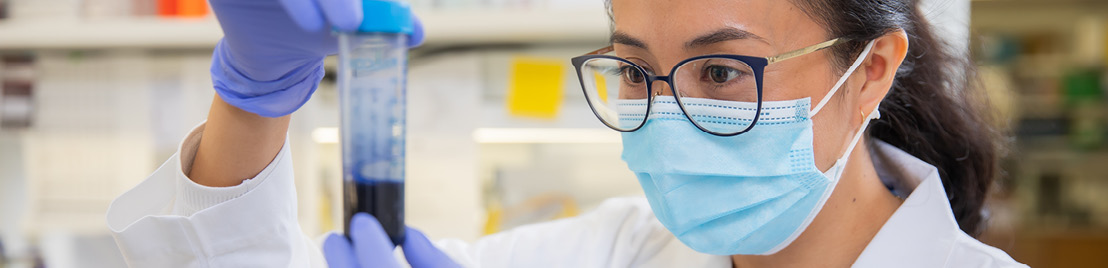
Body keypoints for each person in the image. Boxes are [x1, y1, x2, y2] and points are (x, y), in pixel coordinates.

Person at [106, 0, 1028, 267]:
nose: (664, 114)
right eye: (633, 71)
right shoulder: (623, 248)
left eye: (719, 71)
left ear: (869, 72)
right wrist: (257, 96)